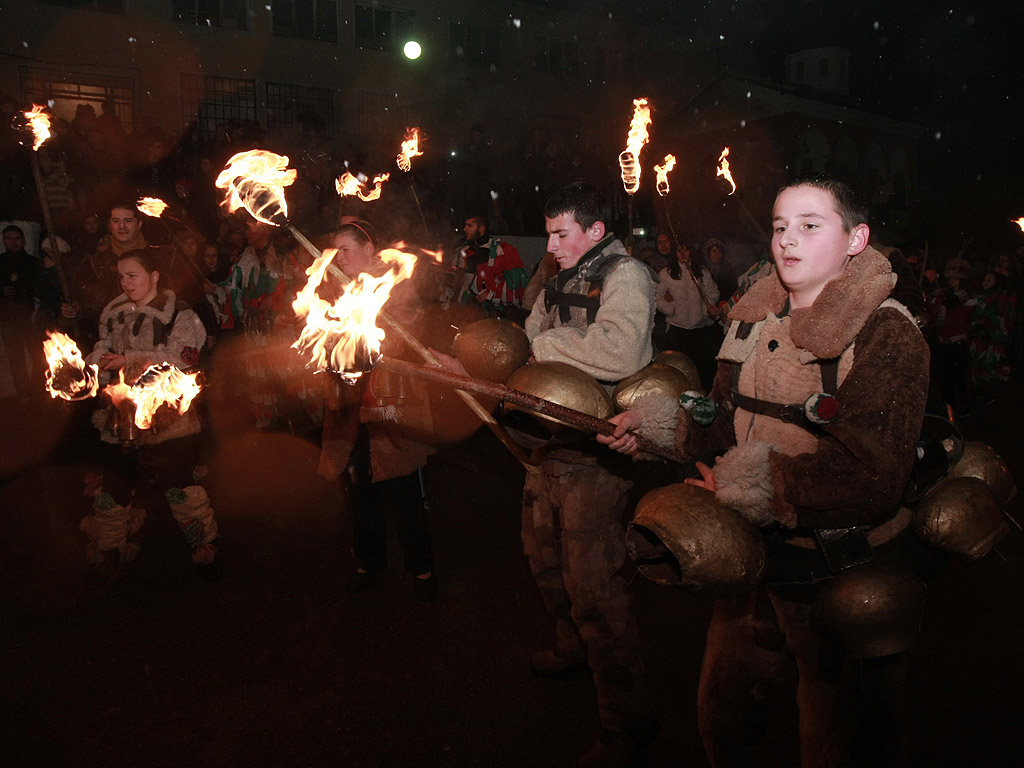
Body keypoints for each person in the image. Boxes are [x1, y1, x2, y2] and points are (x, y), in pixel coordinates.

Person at [602, 177, 931, 767]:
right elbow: (723, 417)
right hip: (755, 560)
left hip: (840, 570)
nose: (787, 240)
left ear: (857, 238)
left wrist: (751, 483)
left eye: (810, 225)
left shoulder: (887, 332)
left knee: (838, 740)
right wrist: (658, 426)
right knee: (725, 716)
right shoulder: (753, 316)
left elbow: (874, 476)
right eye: (780, 227)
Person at [518, 182, 658, 766]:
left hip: (598, 461)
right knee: (543, 559)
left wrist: (548, 344)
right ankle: (570, 643)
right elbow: (525, 333)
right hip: (548, 449)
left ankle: (624, 721)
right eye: (548, 233)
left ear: (595, 231)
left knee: (596, 591)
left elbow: (623, 351)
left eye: (561, 233)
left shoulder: (626, 275)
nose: (551, 245)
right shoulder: (556, 275)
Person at [82, 248, 221, 580]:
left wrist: (130, 359)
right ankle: (112, 543)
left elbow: (185, 358)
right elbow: (102, 349)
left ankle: (203, 543)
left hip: (168, 417)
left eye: (133, 275)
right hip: (123, 415)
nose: (126, 283)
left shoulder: (179, 314)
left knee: (178, 483)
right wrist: (95, 365)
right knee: (116, 483)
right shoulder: (114, 313)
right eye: (121, 276)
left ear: (154, 276)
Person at [316, 220, 437, 602]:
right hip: (350, 405)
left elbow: (411, 335)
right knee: (360, 487)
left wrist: (373, 331)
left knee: (405, 491)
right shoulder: (331, 285)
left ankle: (422, 569)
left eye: (346, 249)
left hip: (391, 406)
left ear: (369, 249)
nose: (340, 258)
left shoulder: (396, 283)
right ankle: (369, 563)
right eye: (335, 251)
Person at [653, 237, 722, 389]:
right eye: (679, 250)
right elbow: (655, 296)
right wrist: (671, 309)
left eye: (686, 249)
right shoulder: (667, 274)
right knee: (676, 372)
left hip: (700, 330)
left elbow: (713, 292)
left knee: (699, 371)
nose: (683, 253)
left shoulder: (701, 272)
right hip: (677, 329)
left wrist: (705, 310)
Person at [454, 214, 527, 321]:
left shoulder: (500, 249)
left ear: (481, 228)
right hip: (470, 307)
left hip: (494, 310)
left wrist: (489, 294)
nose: (465, 229)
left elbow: (515, 279)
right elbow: (460, 278)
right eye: (465, 225)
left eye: (470, 226)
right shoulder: (464, 249)